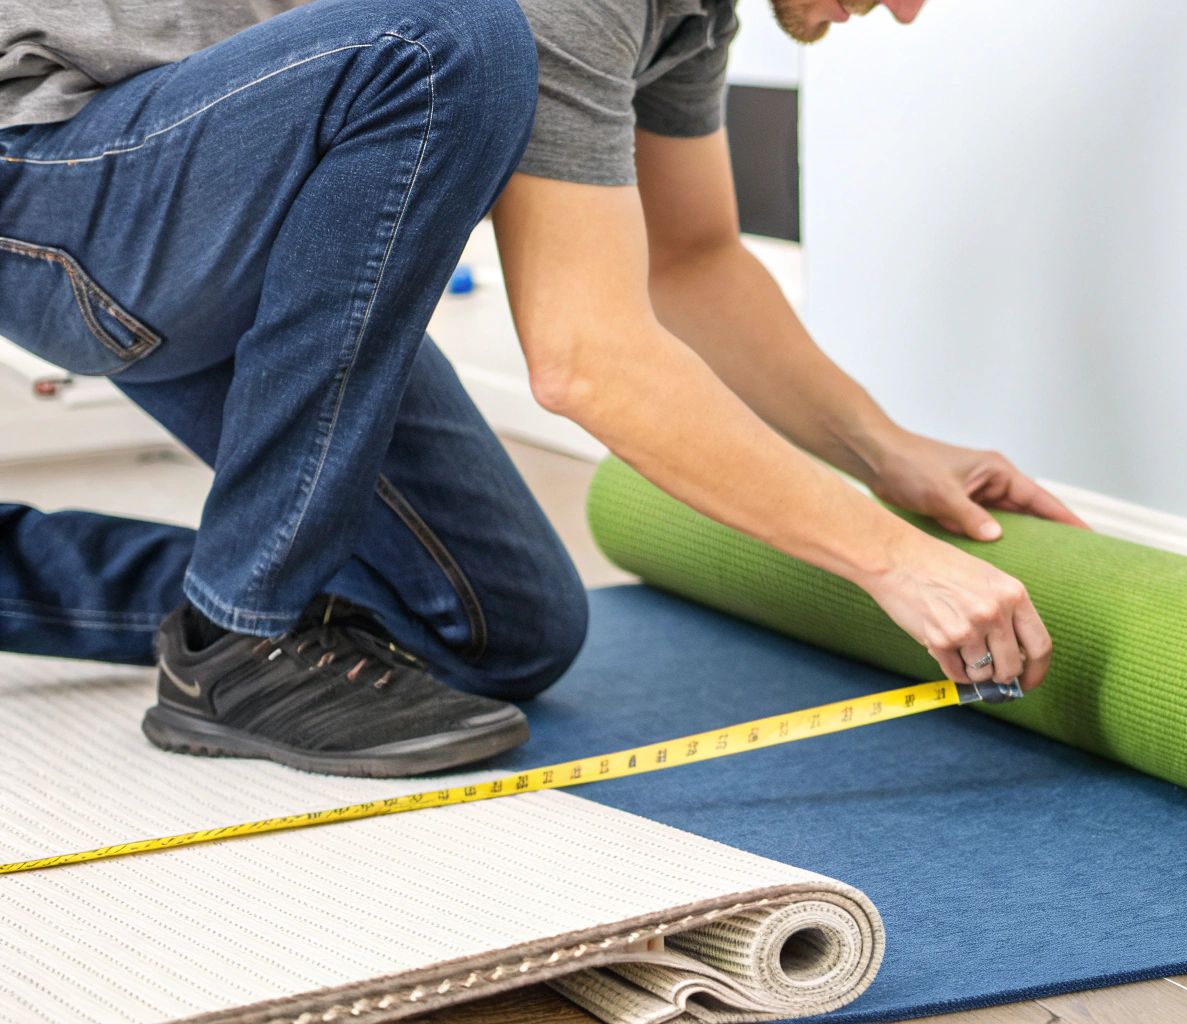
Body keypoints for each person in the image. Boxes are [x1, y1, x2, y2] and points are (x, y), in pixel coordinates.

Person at [0, 0, 1086, 777]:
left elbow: (692, 259)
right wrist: (890, 558)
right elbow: (586, 360)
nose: (906, 11)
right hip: (50, 181)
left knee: (502, 628)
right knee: (445, 44)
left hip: (209, 242)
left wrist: (885, 450)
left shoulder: (687, 17)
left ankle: (110, 587)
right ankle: (238, 640)